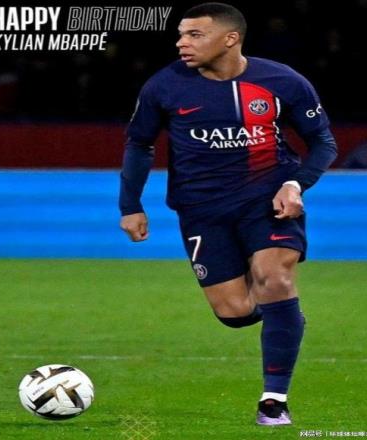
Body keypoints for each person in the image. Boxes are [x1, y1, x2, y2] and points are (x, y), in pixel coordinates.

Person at [119, 2, 338, 426]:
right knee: (234, 312)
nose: (181, 43)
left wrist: (295, 185)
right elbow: (139, 144)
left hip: (267, 201)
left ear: (230, 38)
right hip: (201, 210)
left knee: (275, 278)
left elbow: (323, 142)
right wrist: (131, 205)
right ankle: (283, 316)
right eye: (181, 34)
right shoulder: (164, 86)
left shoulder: (282, 81)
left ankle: (273, 401)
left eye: (194, 34)